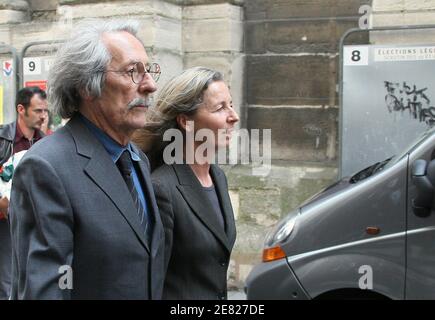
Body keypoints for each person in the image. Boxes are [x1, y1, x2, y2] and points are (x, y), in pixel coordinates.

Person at [8, 19, 165, 299]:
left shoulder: (137, 158)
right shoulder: (46, 167)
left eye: (150, 71)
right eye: (133, 72)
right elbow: (48, 289)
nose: (150, 85)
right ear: (86, 87)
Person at [133, 67, 239, 300]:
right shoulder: (162, 188)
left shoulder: (217, 177)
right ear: (186, 121)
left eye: (231, 104)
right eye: (220, 108)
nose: (233, 116)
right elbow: (153, 281)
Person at [0, 86, 48, 300]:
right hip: (5, 227)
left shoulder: (47, 143)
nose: (43, 116)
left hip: (36, 225)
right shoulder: (3, 140)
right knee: (7, 282)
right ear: (21, 109)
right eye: (38, 111)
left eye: (45, 111)